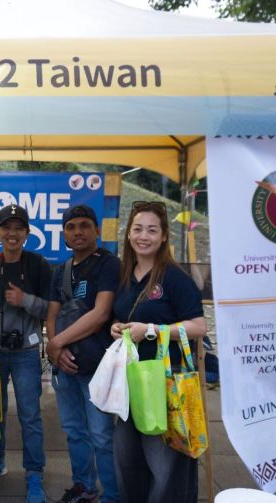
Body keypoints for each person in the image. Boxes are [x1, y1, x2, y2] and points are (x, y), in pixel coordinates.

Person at [110, 200, 206, 503]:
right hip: (131, 380)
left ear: (164, 236)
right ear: (128, 234)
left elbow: (199, 327)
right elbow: (124, 315)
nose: (143, 236)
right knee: (127, 461)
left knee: (164, 466)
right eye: (138, 229)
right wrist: (117, 327)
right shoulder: (126, 275)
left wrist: (151, 330)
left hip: (165, 382)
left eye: (152, 230)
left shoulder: (175, 278)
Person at [0, 204, 51, 503]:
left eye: (19, 228)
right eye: (7, 227)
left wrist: (25, 299)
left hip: (26, 352)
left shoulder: (39, 265)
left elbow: (51, 309)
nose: (12, 233)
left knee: (30, 416)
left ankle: (34, 473)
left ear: (27, 233)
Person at [46, 204, 120, 503]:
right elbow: (52, 315)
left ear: (97, 230)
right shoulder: (60, 271)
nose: (78, 232)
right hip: (65, 367)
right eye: (71, 227)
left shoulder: (109, 264)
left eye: (84, 225)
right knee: (74, 431)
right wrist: (57, 351)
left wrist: (55, 344)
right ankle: (84, 487)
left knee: (101, 436)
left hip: (96, 367)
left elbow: (100, 314)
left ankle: (112, 495)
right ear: (64, 233)